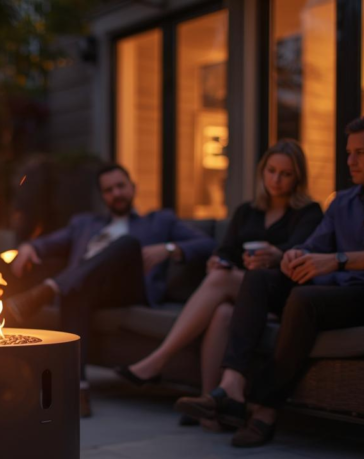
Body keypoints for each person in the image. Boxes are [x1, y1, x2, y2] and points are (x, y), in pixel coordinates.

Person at [174, 115, 364, 447]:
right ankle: (231, 386)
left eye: (360, 153)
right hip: (330, 288)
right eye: (348, 153)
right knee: (258, 279)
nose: (351, 162)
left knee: (304, 300)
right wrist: (294, 254)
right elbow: (314, 244)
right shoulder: (343, 202)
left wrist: (339, 259)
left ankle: (265, 409)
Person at [115, 141, 323, 431]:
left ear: (298, 177)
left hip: (281, 293)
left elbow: (303, 250)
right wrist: (217, 260)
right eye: (272, 171)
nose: (276, 179)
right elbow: (226, 250)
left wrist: (276, 255)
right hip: (245, 295)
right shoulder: (247, 211)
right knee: (222, 311)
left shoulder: (309, 212)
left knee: (220, 280)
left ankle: (157, 361)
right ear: (262, 172)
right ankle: (210, 404)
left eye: (286, 174)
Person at [6, 163, 217, 416]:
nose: (116, 193)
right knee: (75, 291)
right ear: (102, 196)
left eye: (120, 186)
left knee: (128, 243)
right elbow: (46, 243)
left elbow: (208, 243)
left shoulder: (159, 221)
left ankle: (50, 289)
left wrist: (170, 249)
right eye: (108, 190)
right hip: (88, 288)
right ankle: (78, 389)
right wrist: (28, 247)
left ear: (133, 188)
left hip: (129, 288)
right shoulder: (84, 223)